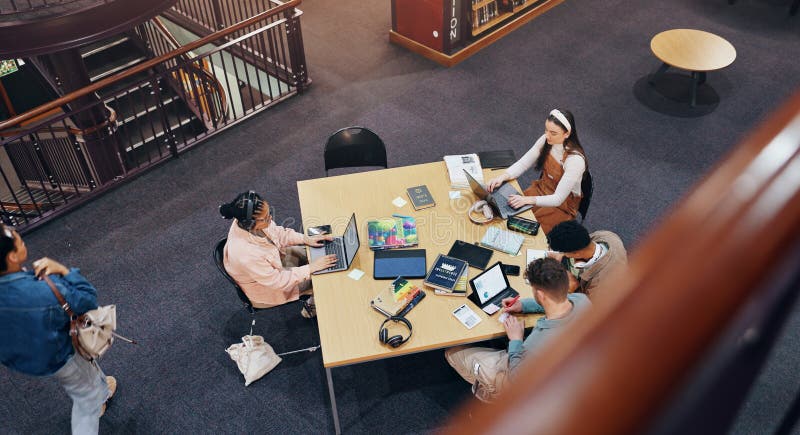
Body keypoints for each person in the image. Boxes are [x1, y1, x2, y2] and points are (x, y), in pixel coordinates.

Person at [0, 224, 117, 434]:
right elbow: (88, 298)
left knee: (86, 370)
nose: (23, 241)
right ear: (12, 257)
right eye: (20, 241)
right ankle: (96, 395)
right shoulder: (44, 290)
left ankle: (101, 388)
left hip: (26, 355)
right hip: (60, 354)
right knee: (86, 402)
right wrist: (63, 270)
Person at [444, 257, 590, 402]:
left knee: (452, 353)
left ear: (539, 294)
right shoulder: (582, 300)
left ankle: (494, 393)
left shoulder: (537, 342)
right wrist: (523, 305)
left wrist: (516, 340)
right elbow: (556, 300)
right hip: (568, 374)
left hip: (522, 380)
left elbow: (517, 377)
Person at [219, 191, 337, 317]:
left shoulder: (246, 221)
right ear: (250, 223)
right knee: (323, 277)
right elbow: (278, 281)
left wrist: (305, 239)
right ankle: (311, 307)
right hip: (270, 287)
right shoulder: (246, 255)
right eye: (265, 218)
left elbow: (279, 234)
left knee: (318, 255)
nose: (270, 218)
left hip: (276, 261)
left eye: (269, 212)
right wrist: (312, 268)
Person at [487, 109, 587, 234]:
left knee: (526, 231)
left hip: (562, 206)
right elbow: (523, 163)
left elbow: (558, 199)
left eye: (553, 133)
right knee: (504, 214)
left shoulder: (575, 160)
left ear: (567, 134)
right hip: (541, 189)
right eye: (546, 130)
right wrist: (502, 177)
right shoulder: (547, 139)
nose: (547, 135)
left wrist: (527, 200)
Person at [547, 220, 627, 299]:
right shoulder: (606, 235)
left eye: (564, 253)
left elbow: (589, 307)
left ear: (576, 253)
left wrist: (575, 288)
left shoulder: (600, 284)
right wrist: (562, 255)